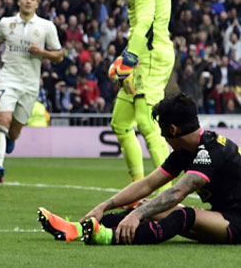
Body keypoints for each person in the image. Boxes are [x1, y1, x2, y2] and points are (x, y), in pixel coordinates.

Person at [38, 93, 241, 245]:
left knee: (184, 215)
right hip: (222, 216)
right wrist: (104, 206)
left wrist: (137, 215)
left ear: (172, 129)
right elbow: (147, 184)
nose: (164, 139)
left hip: (237, 222)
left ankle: (109, 238)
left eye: (163, 133)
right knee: (147, 205)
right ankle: (76, 229)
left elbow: (177, 193)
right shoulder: (186, 150)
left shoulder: (213, 150)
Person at [108, 0, 174, 186]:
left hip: (149, 57)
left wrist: (130, 59)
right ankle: (139, 190)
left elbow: (146, 20)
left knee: (148, 125)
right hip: (142, 54)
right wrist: (128, 55)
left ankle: (167, 198)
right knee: (121, 123)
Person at [0, 0, 63, 184]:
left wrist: (42, 53)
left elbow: (59, 55)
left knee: (15, 129)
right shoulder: (6, 23)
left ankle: (10, 139)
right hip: (7, 79)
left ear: (36, 3)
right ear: (19, 1)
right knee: (3, 119)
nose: (28, 1)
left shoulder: (46, 27)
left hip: (29, 84)